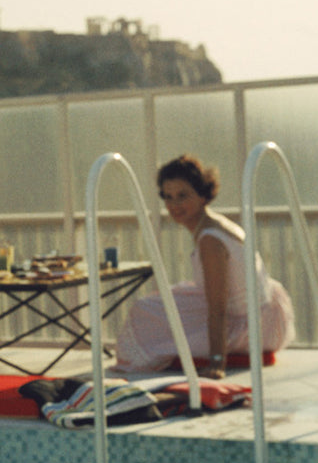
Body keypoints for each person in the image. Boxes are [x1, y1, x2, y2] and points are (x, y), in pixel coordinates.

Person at [115, 154, 296, 378]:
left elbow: (217, 308)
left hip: (253, 326)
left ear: (202, 195)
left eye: (183, 196)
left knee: (145, 312)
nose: (174, 205)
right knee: (156, 302)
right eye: (168, 197)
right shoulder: (211, 223)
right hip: (261, 310)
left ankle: (211, 351)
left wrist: (217, 363)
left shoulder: (210, 239)